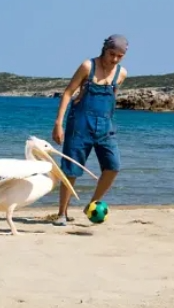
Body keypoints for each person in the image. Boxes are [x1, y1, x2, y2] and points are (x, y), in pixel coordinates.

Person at [51, 34, 128, 226]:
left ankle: (92, 203)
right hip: (80, 125)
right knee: (71, 170)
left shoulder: (121, 73)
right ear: (104, 50)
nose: (115, 59)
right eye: (112, 54)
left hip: (105, 127)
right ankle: (62, 213)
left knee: (113, 166)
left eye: (120, 56)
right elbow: (68, 93)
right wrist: (58, 123)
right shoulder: (88, 66)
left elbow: (112, 98)